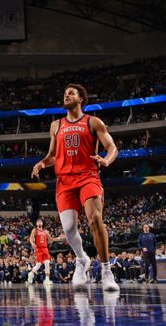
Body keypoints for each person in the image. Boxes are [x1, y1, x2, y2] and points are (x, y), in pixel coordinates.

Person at [31, 83, 120, 292]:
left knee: (95, 219)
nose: (66, 96)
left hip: (88, 176)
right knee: (69, 229)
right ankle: (82, 259)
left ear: (81, 99)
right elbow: (53, 155)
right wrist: (42, 163)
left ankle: (106, 270)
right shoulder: (56, 125)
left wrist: (107, 160)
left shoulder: (93, 122)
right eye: (64, 94)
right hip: (64, 181)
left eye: (70, 93)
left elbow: (112, 147)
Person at [27, 218, 53, 285]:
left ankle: (47, 279)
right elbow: (31, 238)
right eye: (38, 221)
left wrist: (59, 238)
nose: (39, 222)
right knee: (38, 265)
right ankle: (31, 273)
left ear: (42, 223)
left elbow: (51, 239)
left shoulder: (46, 231)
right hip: (38, 249)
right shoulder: (35, 230)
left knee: (47, 263)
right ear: (36, 224)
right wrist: (32, 243)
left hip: (45, 249)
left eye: (40, 221)